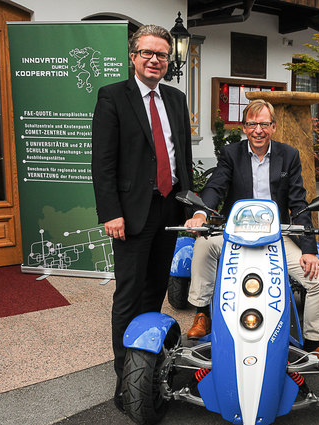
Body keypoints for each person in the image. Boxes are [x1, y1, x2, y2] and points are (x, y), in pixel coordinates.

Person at [91, 24, 193, 413]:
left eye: (162, 55)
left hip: (169, 208)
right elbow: (102, 164)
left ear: (169, 60)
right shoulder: (113, 97)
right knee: (130, 295)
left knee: (155, 291)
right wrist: (111, 212)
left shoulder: (176, 99)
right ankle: (126, 378)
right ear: (133, 56)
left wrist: (193, 205)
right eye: (148, 53)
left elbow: (180, 156)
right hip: (131, 215)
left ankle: (151, 365)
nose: (155, 60)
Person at [183, 99, 319, 356]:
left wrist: (309, 249)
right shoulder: (231, 154)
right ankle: (201, 313)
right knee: (204, 244)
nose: (258, 131)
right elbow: (216, 186)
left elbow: (298, 203)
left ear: (273, 127)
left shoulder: (289, 155)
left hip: (277, 236)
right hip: (237, 233)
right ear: (244, 128)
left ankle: (312, 343)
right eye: (252, 124)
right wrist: (201, 213)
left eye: (264, 124)